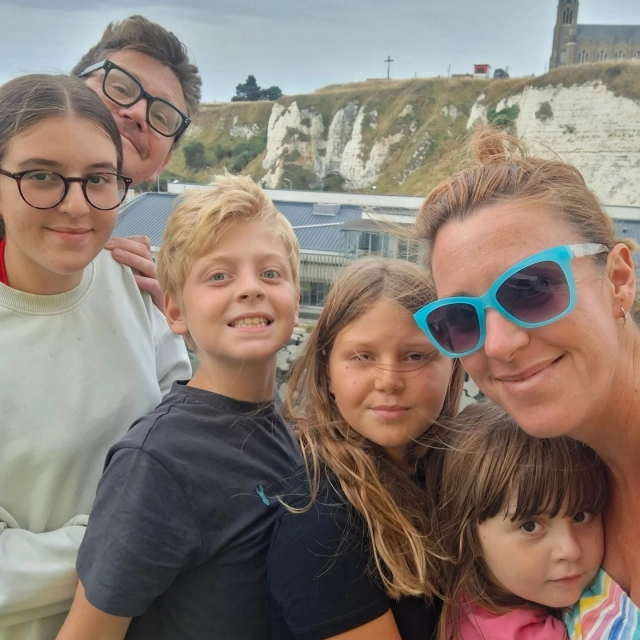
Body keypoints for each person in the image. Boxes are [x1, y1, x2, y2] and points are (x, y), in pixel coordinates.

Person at [413, 126, 640, 634]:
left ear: (619, 280)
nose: (498, 344)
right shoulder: (566, 475)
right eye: (461, 318)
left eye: (532, 288)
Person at [56, 174, 302, 640]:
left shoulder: (282, 427)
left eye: (271, 273)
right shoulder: (158, 462)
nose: (250, 288)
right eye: (219, 276)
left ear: (295, 296)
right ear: (174, 311)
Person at [0, 74, 191, 640]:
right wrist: (135, 540)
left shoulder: (130, 284)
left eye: (99, 179)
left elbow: (186, 424)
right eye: (41, 176)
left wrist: (198, 319)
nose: (76, 205)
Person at [268, 258, 465, 640]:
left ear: (454, 367)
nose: (388, 381)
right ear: (327, 372)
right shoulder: (320, 523)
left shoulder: (461, 473)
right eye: (362, 356)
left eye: (415, 356)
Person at [431, 399, 606, 640]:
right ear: (468, 536)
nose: (570, 550)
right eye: (530, 526)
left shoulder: (467, 601)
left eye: (580, 516)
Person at [73, 15, 202, 309]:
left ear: (162, 164)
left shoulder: (136, 296)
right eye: (120, 89)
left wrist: (167, 321)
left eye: (161, 117)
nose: (138, 113)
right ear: (69, 89)